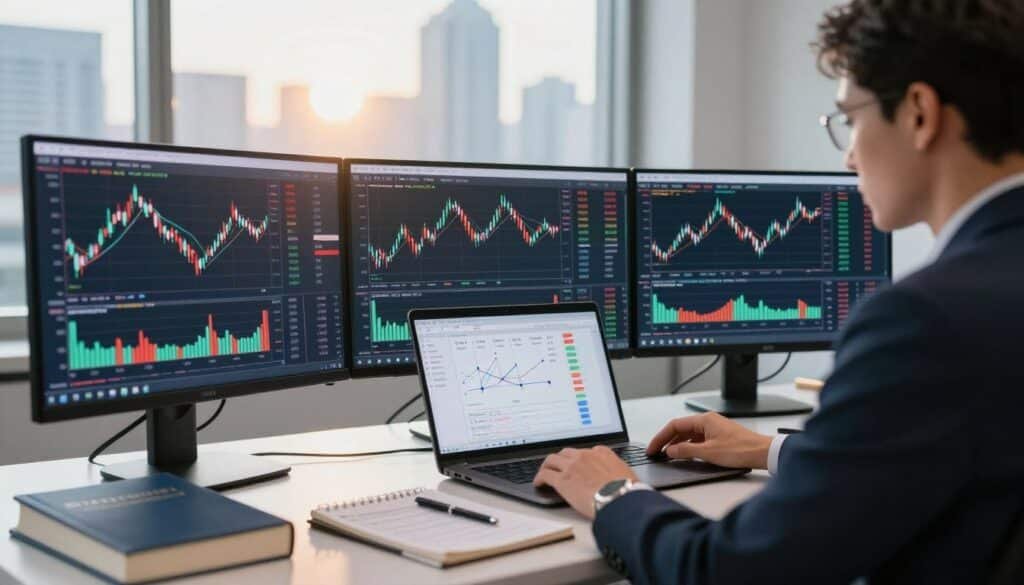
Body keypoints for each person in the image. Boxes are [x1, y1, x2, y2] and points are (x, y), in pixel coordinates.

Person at [532, 1, 1024, 583]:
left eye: (850, 117)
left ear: (920, 112)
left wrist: (613, 492)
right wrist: (772, 451)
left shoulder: (924, 321)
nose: (848, 154)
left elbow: (730, 573)